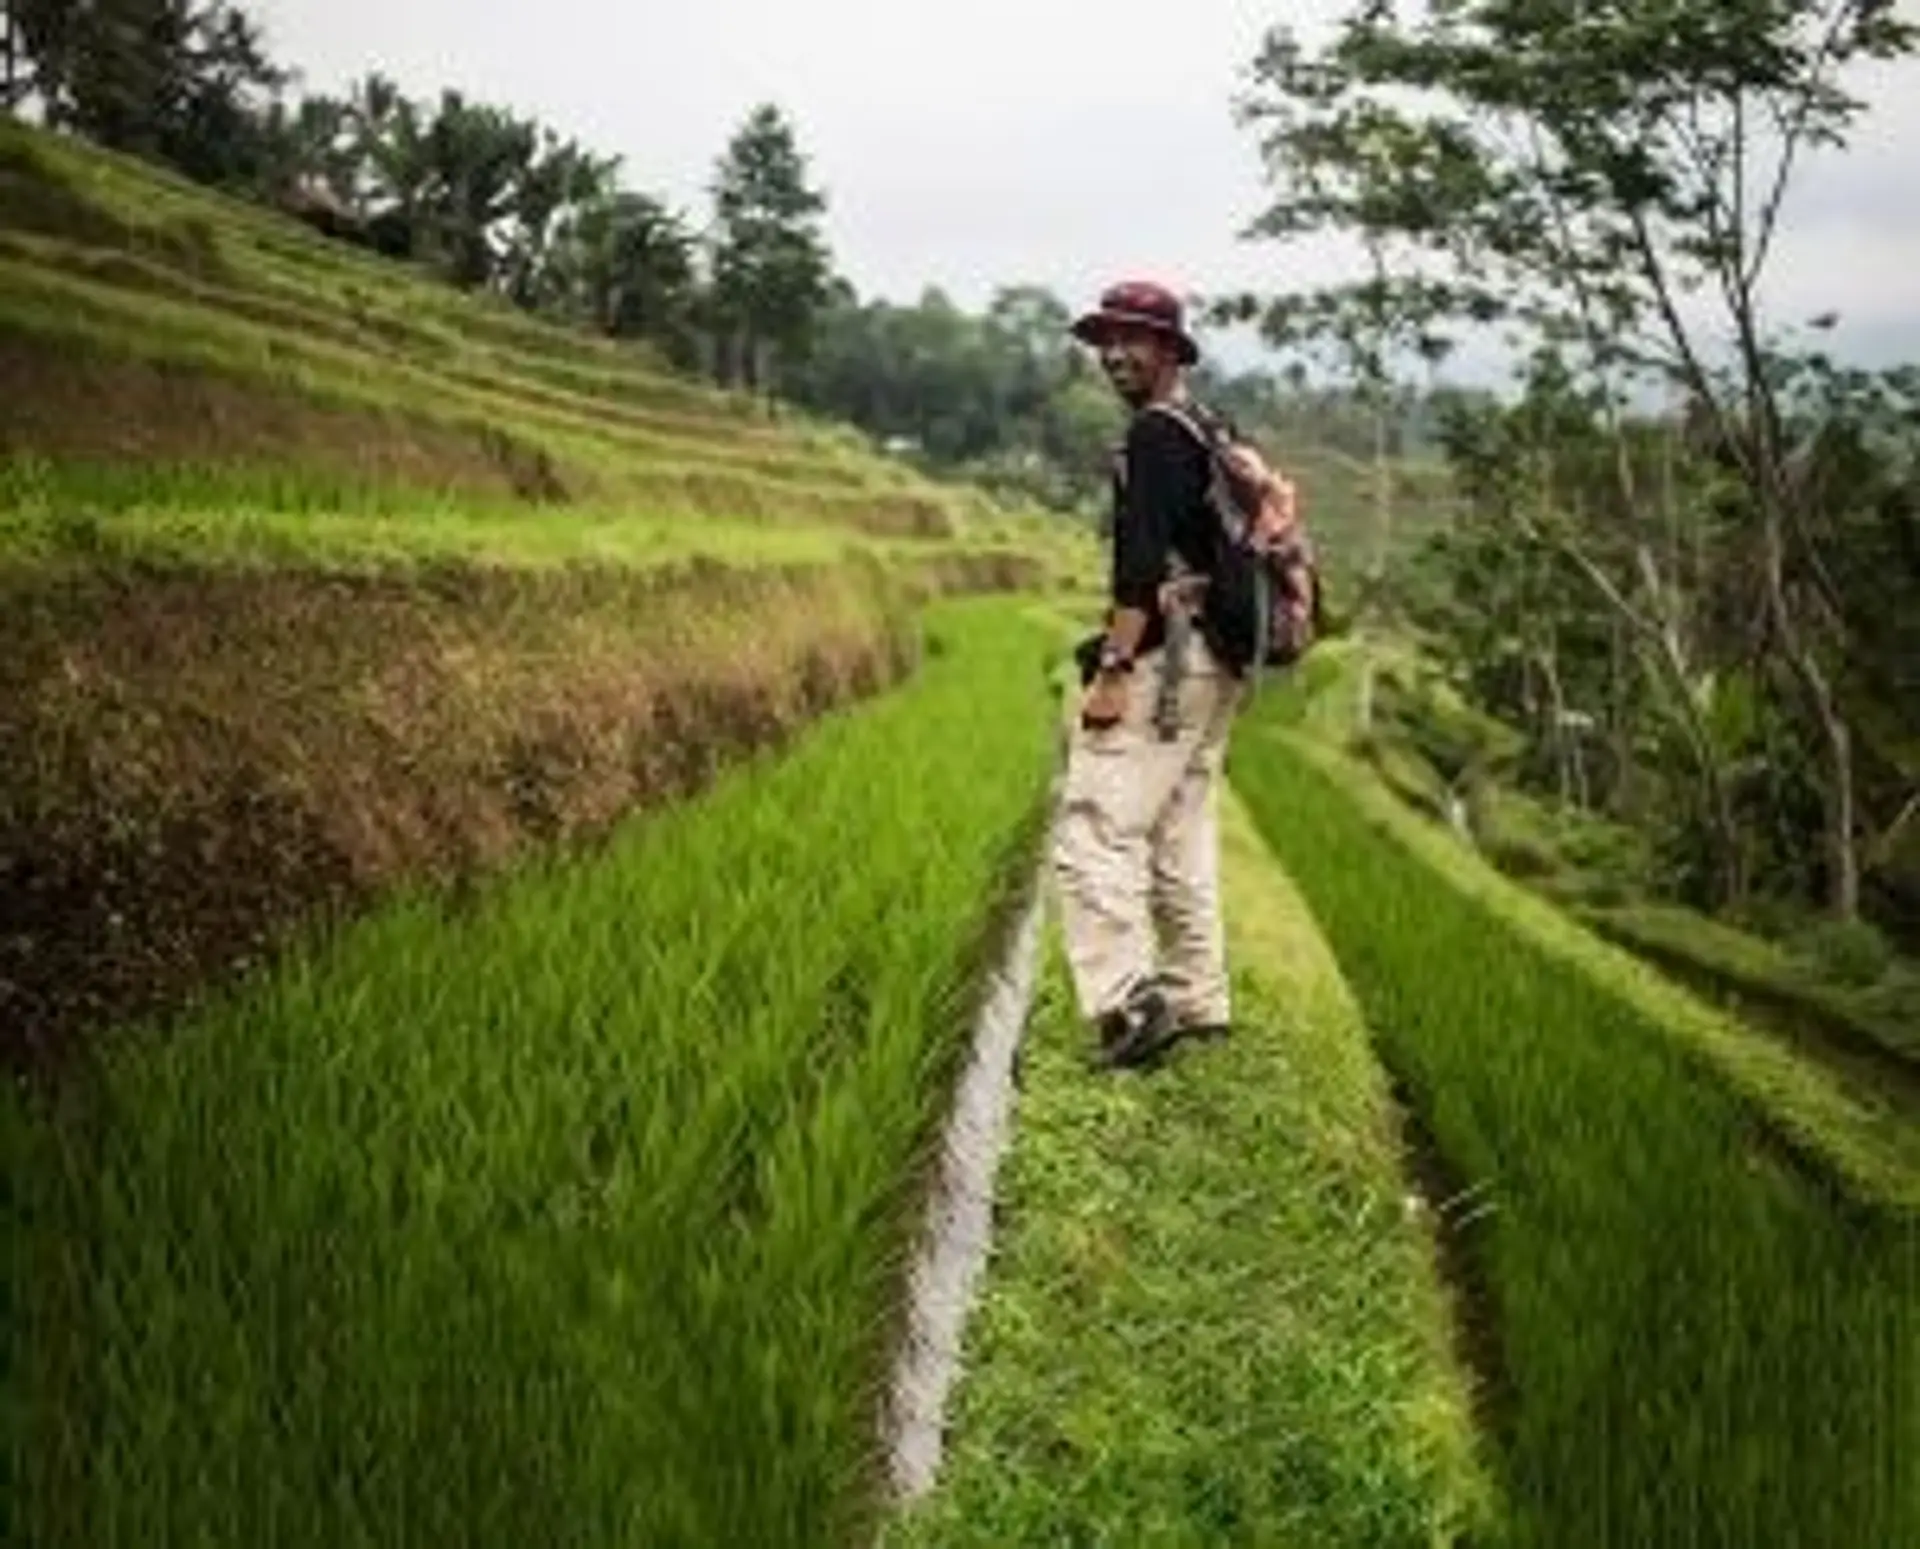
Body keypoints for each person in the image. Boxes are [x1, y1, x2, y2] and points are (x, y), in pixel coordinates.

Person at [1051, 279, 1287, 1071]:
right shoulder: (1208, 426)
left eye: (1134, 338)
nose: (1115, 352)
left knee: (1095, 824)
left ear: (1170, 351)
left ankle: (1127, 1006)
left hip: (1169, 658)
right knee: (1181, 827)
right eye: (1105, 339)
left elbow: (1140, 568)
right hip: (1220, 662)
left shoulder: (1156, 434)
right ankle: (1196, 998)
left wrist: (1115, 668)